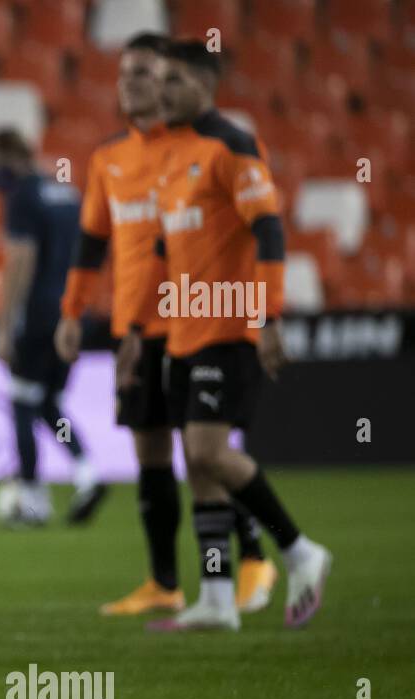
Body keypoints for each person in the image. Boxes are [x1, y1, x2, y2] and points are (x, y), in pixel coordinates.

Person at [56, 32, 276, 616]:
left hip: (194, 322)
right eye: (124, 72)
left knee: (202, 453)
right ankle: (164, 581)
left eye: (146, 73)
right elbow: (90, 243)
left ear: (171, 82)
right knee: (151, 454)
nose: (131, 82)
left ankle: (253, 559)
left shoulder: (197, 150)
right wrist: (72, 312)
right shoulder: (109, 158)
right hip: (135, 327)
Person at [131, 40, 331, 631]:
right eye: (158, 82)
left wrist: (268, 316)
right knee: (198, 465)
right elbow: (168, 250)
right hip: (182, 330)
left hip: (230, 324)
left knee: (209, 451)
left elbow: (268, 230)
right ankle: (217, 597)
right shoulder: (170, 154)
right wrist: (144, 328)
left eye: (172, 82)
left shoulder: (234, 146)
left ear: (203, 84)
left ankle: (299, 550)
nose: (158, 93)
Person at [0, 128, 106, 527]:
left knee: (22, 403)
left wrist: (3, 325)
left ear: (7, 159)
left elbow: (21, 258)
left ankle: (32, 497)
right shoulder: (65, 192)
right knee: (48, 403)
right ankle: (87, 473)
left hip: (36, 316)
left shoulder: (22, 196)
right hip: (72, 314)